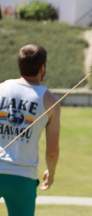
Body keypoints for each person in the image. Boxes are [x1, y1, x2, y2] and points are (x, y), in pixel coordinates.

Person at [0, 44, 61, 216]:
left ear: (19, 65)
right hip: (22, 177)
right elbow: (52, 152)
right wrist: (52, 172)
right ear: (42, 68)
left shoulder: (1, 88)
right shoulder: (50, 100)